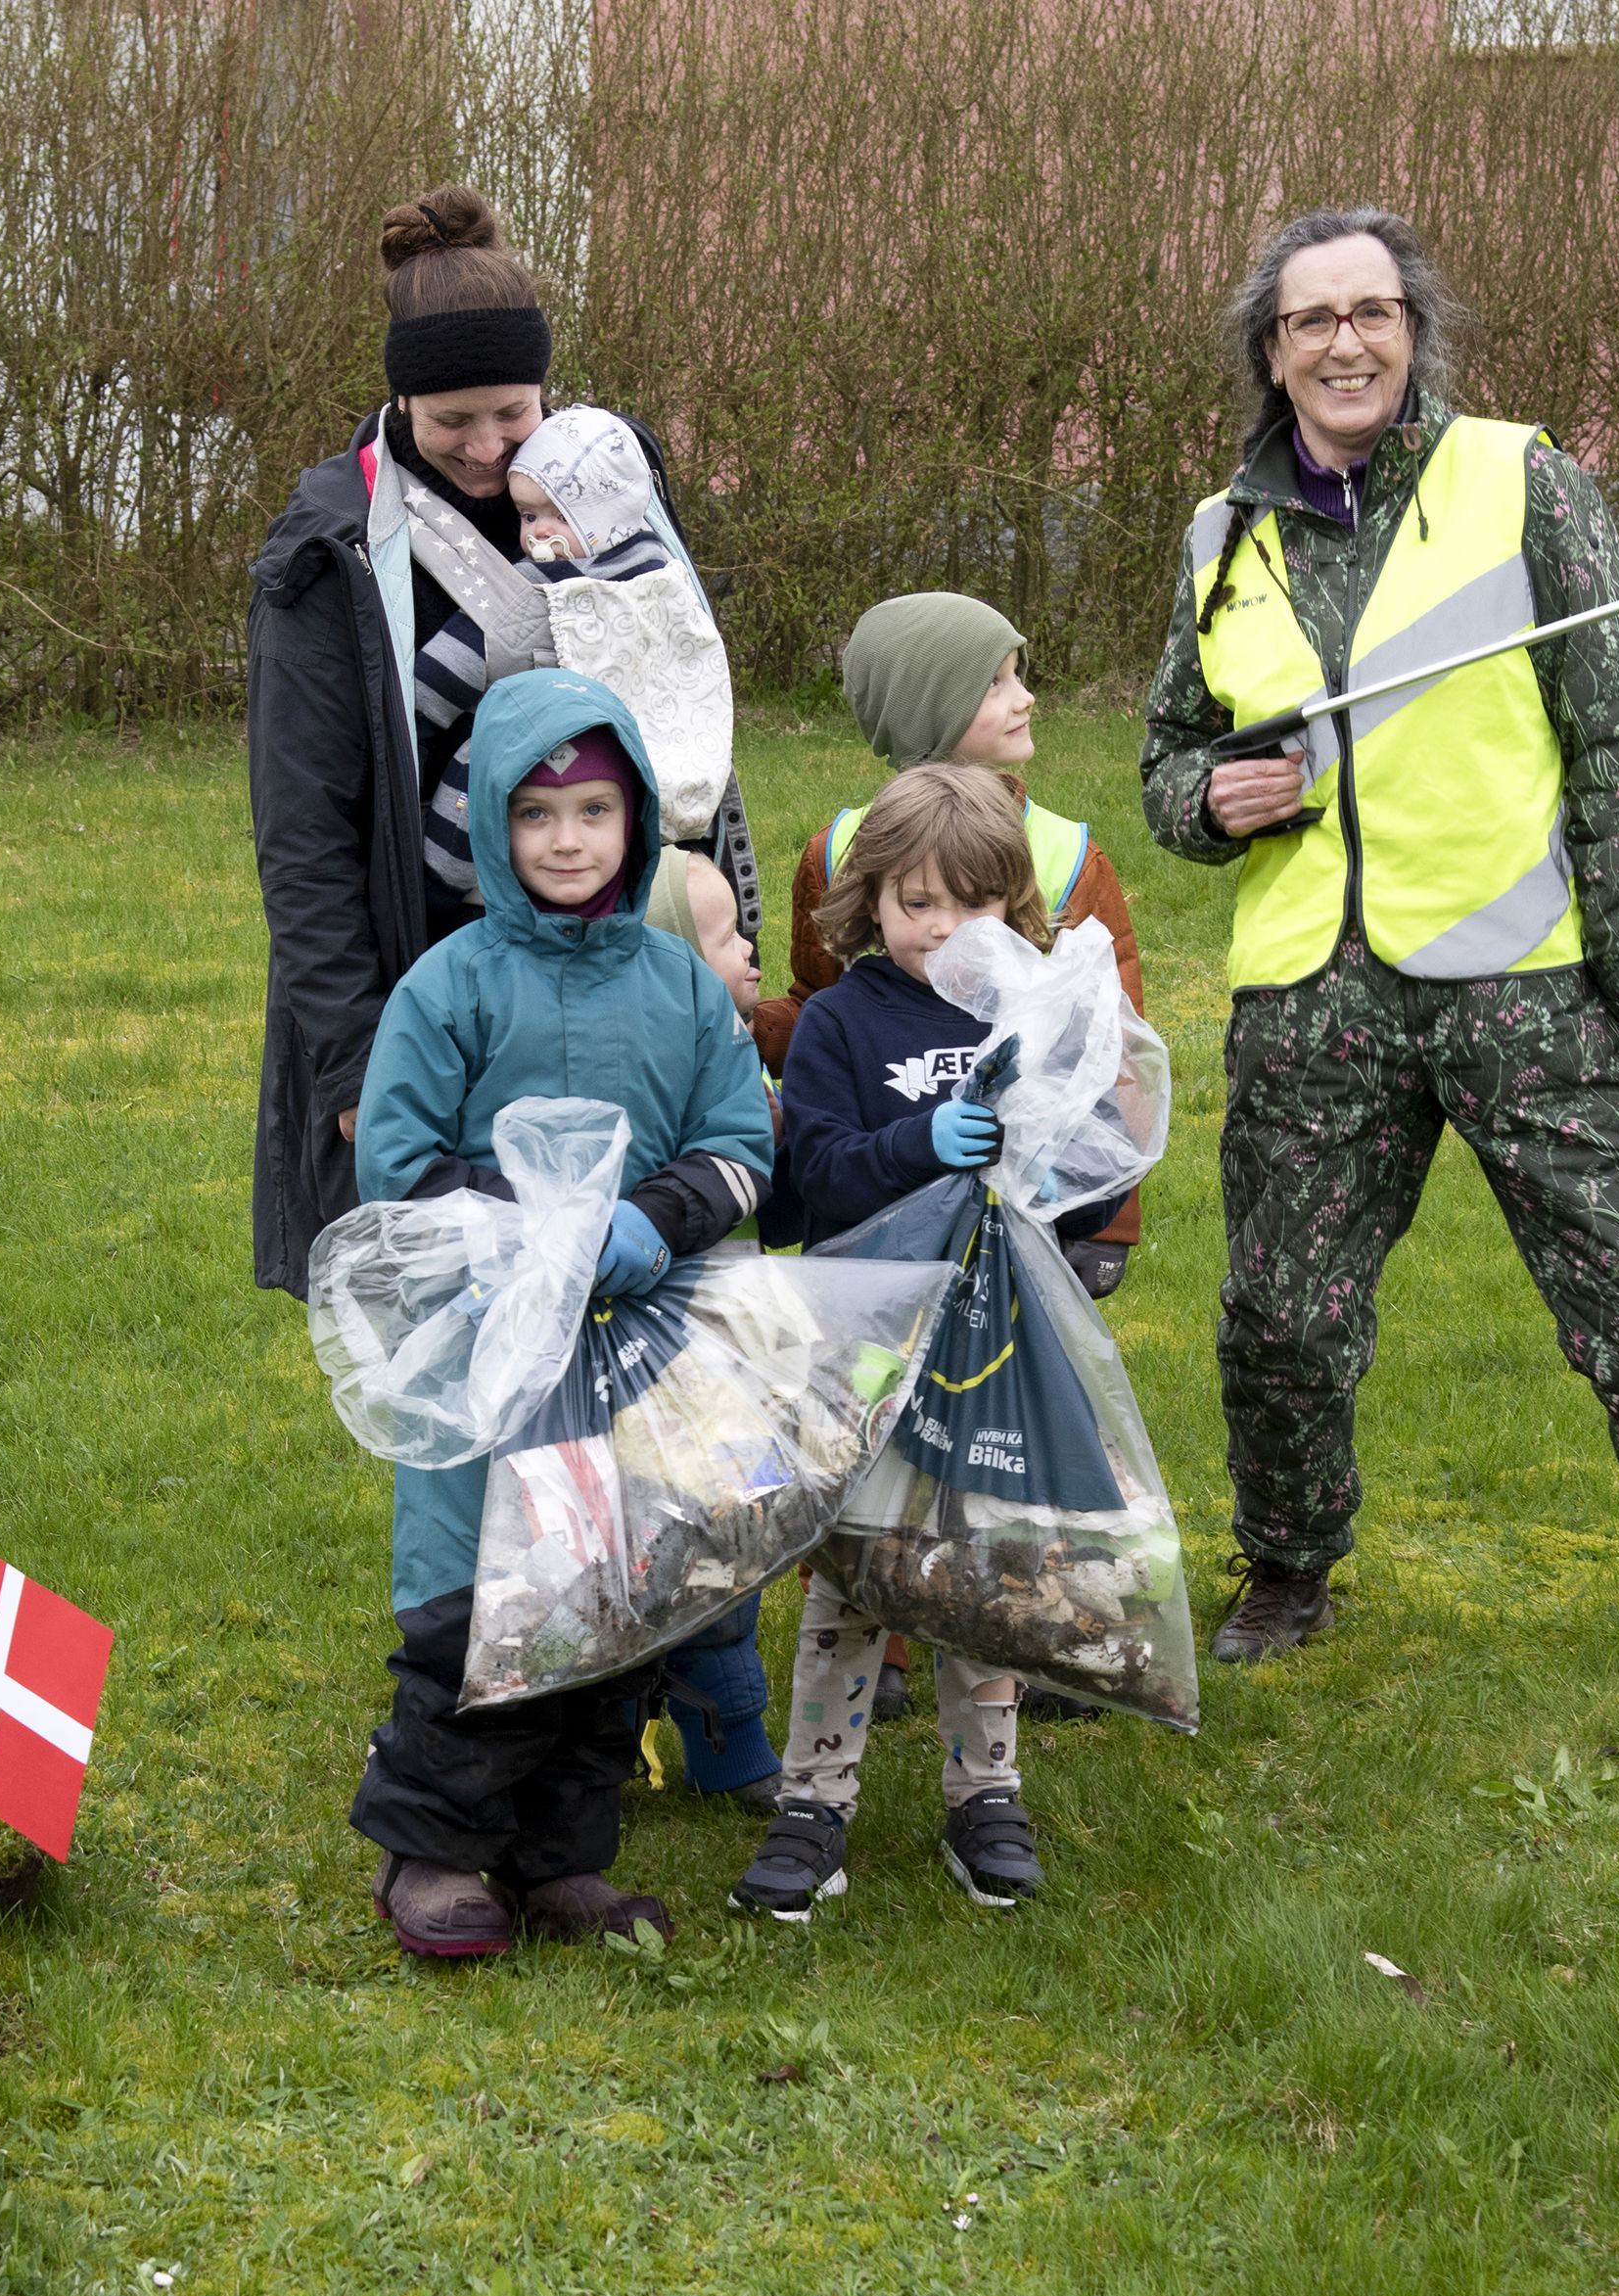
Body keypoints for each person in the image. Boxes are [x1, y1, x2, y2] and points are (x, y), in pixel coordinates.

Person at [1140, 205, 1619, 1714]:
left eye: (1373, 313)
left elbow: (1617, 734)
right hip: (1314, 993)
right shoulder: (1218, 532)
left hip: (1523, 982)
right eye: (1313, 320)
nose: (1346, 342)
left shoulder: (1525, 481)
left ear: (1413, 332)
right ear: (1273, 351)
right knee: (1283, 1320)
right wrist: (1211, 799)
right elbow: (1173, 760)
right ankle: (1290, 1563)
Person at [245, 186, 749, 1302]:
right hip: (427, 976)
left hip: (609, 960)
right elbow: (303, 832)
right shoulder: (329, 549)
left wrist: (717, 934)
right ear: (400, 401)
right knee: (462, 1321)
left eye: (511, 415)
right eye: (451, 420)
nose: (482, 448)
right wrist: (354, 1058)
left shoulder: (606, 493)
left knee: (634, 1307)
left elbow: (670, 695)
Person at [347, 672, 776, 1958]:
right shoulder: (451, 985)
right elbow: (395, 1157)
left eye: (596, 809)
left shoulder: (682, 986)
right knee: (478, 1599)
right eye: (538, 815)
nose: (571, 840)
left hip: (635, 1344)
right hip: (488, 1346)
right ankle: (431, 1848)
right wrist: (524, 1227)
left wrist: (653, 1220)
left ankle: (562, 1856)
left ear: (637, 818)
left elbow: (740, 1138)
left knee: (610, 1594)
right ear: (492, 824)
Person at [728, 764, 1131, 1921]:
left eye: (972, 904)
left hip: (995, 1342)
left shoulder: (1033, 1010)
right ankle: (813, 1798)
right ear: (867, 904)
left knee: (982, 1563)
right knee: (854, 1572)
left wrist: (1070, 1164)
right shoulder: (843, 1023)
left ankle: (984, 1792)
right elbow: (812, 1179)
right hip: (864, 1339)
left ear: (1014, 905)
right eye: (913, 903)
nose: (941, 927)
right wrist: (924, 1142)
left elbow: (1086, 1186)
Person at [749, 591, 1148, 1294]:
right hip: (871, 1283)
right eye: (995, 682)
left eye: (974, 901)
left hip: (1016, 1278)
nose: (945, 926)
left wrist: (1106, 1220)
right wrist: (733, 1024)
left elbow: (1105, 1059)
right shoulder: (837, 852)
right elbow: (815, 1002)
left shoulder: (1071, 854)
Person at [632, 851, 797, 1818]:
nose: (749, 948)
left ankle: (728, 1736)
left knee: (736, 1541)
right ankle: (606, 1734)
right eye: (726, 934)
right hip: (653, 1361)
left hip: (742, 1356)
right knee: (643, 1545)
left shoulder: (744, 1053)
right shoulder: (665, 1069)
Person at [416, 407, 737, 905]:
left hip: (557, 739)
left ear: (605, 514)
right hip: (646, 758)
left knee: (477, 757)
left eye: (557, 514)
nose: (538, 534)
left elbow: (456, 660)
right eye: (526, 516)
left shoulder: (545, 583)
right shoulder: (664, 566)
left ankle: (439, 878)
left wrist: (412, 714)